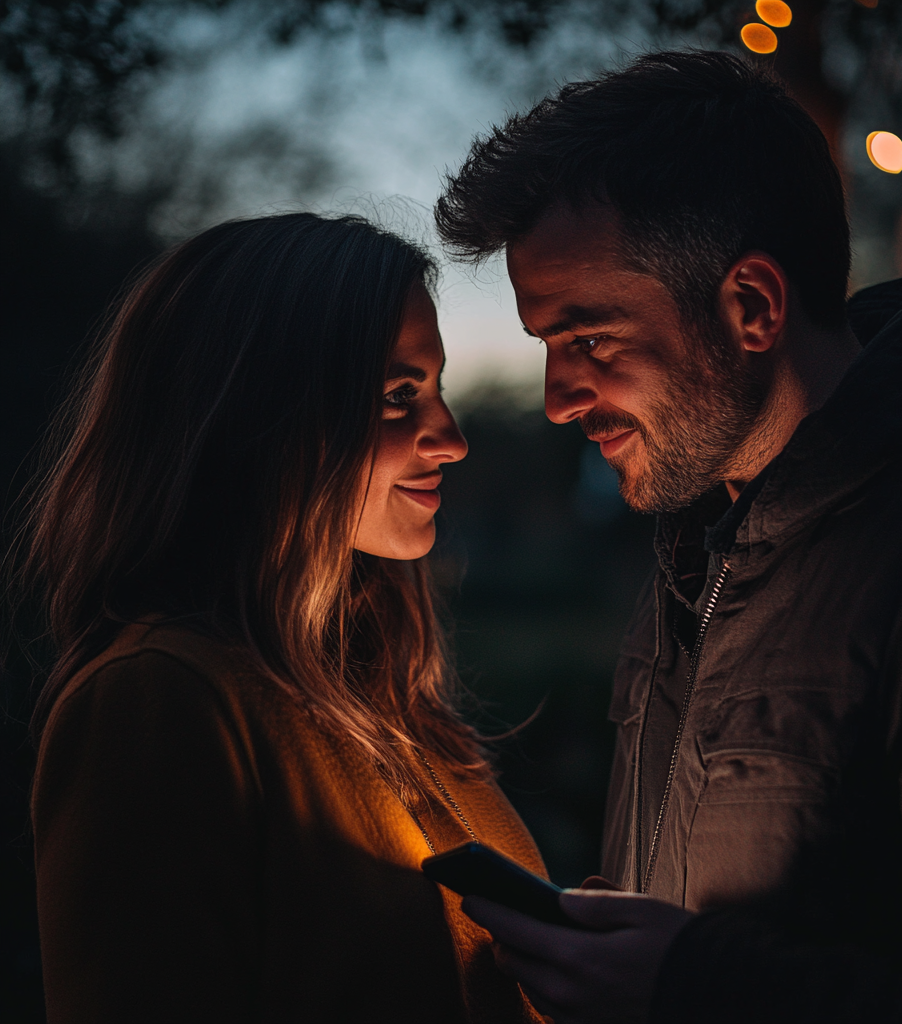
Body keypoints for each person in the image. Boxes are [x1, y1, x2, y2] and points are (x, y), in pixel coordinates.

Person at [434, 50, 902, 1023]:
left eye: (587, 340)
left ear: (750, 306)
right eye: (545, 347)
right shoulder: (701, 535)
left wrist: (694, 982)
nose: (556, 399)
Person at [23, 213, 547, 1023]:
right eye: (398, 396)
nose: (450, 439)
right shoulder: (156, 701)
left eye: (436, 392)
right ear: (261, 414)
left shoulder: (392, 704)